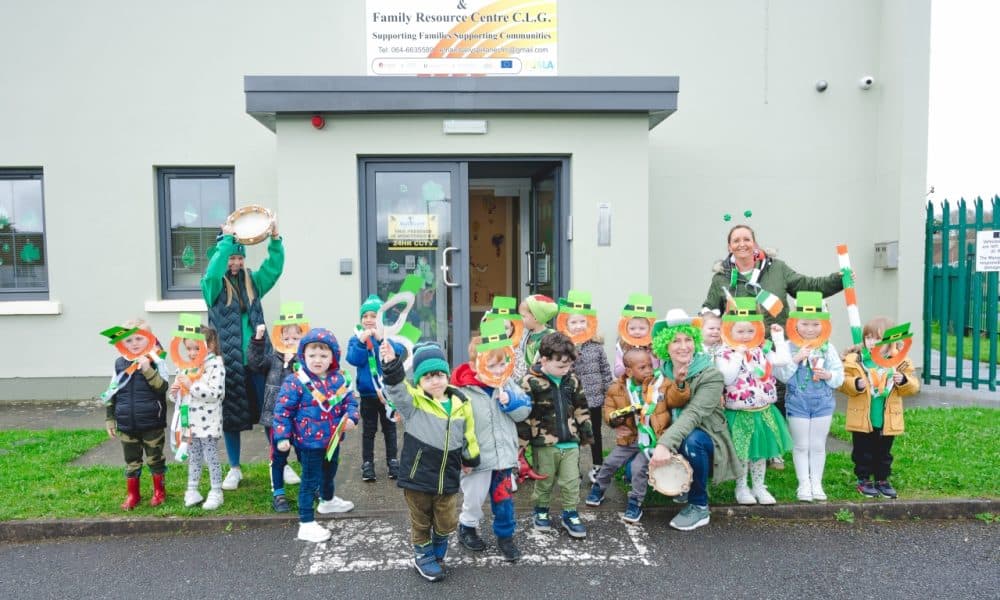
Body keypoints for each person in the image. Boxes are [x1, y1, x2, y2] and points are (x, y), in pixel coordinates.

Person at [701, 222, 845, 468]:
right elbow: (710, 310)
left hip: (774, 344)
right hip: (741, 349)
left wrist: (839, 280)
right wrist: (708, 336)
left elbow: (807, 286)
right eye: (736, 240)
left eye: (746, 239)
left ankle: (773, 448)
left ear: (754, 242)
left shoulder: (777, 269)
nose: (742, 244)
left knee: (774, 395)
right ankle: (743, 448)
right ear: (729, 246)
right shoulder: (722, 278)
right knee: (744, 398)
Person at [381, 341, 480, 582]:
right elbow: (396, 388)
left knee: (446, 520)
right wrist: (392, 364)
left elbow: (469, 433)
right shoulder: (413, 403)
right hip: (417, 478)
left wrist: (470, 458)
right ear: (419, 381)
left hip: (448, 476)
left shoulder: (461, 402)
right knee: (421, 520)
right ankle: (423, 554)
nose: (434, 381)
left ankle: (439, 540)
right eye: (427, 377)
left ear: (446, 375)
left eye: (438, 374)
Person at [201, 217, 284, 491]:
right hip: (231, 365)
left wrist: (275, 239)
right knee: (231, 417)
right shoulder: (212, 287)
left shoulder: (253, 282)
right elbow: (212, 272)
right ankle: (235, 468)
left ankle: (278, 462)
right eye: (230, 258)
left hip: (259, 362)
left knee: (270, 412)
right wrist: (225, 242)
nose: (235, 263)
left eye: (239, 258)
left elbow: (273, 268)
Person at [647, 309, 741, 532]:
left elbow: (693, 415)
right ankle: (684, 484)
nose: (683, 346)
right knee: (634, 473)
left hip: (706, 437)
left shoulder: (711, 375)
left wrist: (663, 445)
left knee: (692, 440)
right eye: (675, 341)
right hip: (673, 435)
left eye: (688, 339)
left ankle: (699, 506)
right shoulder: (662, 373)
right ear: (665, 347)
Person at [452, 322, 531, 562]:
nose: (498, 370)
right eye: (491, 365)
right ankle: (467, 526)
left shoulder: (507, 385)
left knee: (504, 501)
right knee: (473, 499)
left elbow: (525, 411)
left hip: (503, 458)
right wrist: (463, 456)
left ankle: (506, 537)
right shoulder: (462, 391)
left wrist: (511, 403)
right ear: (476, 364)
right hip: (476, 459)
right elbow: (456, 427)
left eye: (502, 364)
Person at [273, 328, 359, 543]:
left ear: (333, 357)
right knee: (310, 481)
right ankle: (306, 522)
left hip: (332, 440)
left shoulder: (338, 379)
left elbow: (350, 401)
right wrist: (282, 437)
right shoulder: (295, 381)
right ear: (303, 356)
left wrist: (352, 417)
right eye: (312, 355)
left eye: (323, 355)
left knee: (330, 473)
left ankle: (327, 501)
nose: (317, 360)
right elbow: (282, 411)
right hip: (308, 443)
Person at [714, 297, 794, 505]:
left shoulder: (762, 348)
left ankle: (759, 486)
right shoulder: (724, 352)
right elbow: (727, 378)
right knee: (742, 453)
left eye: (750, 331)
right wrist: (738, 356)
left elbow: (783, 360)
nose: (745, 336)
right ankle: (742, 487)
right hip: (740, 412)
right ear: (729, 329)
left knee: (760, 452)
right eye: (740, 332)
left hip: (763, 410)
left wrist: (777, 338)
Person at [585, 347, 674, 524]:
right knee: (609, 463)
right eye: (642, 367)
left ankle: (635, 502)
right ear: (628, 371)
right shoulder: (616, 388)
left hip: (651, 440)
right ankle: (598, 489)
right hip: (629, 438)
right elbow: (608, 411)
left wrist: (679, 384)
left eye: (650, 365)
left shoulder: (661, 383)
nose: (648, 370)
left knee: (638, 468)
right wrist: (616, 420)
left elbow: (677, 398)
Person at [518, 332, 594, 539]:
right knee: (544, 480)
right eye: (560, 366)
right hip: (544, 443)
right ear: (544, 359)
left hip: (570, 442)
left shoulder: (572, 380)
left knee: (571, 481)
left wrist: (586, 434)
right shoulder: (529, 382)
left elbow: (581, 407)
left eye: (568, 366)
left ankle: (570, 513)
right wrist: (521, 446)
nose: (565, 370)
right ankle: (541, 510)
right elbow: (524, 416)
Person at [773, 292, 844, 502]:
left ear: (823, 325)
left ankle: (817, 483)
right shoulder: (788, 347)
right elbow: (781, 375)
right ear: (795, 323)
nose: (810, 329)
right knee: (801, 445)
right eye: (805, 324)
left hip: (822, 404)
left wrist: (828, 375)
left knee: (818, 445)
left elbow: (839, 377)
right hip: (797, 404)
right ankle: (804, 483)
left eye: (815, 324)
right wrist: (795, 359)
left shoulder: (828, 348)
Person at [840, 318, 919, 499]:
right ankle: (864, 479)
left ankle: (882, 479)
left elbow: (914, 386)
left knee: (884, 452)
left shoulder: (900, 362)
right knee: (862, 450)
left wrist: (904, 381)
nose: (872, 342)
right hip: (863, 417)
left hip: (888, 418)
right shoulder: (856, 361)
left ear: (890, 341)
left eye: (878, 338)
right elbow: (841, 382)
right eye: (868, 337)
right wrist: (856, 384)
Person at [102, 318, 170, 510]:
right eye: (129, 340)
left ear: (149, 339)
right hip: (126, 422)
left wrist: (148, 369)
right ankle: (133, 494)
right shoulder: (119, 364)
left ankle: (159, 491)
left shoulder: (156, 361)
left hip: (152, 422)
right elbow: (111, 391)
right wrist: (110, 417)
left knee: (155, 458)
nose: (134, 344)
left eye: (139, 339)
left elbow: (161, 387)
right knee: (131, 461)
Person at [248, 302, 308, 513]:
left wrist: (295, 362)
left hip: (301, 417)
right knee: (278, 454)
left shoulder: (305, 360)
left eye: (295, 338)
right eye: (286, 337)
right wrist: (258, 339)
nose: (290, 341)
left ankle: (311, 487)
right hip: (274, 416)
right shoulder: (272, 359)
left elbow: (308, 381)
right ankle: (279, 493)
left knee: (304, 453)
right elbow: (254, 363)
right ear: (279, 338)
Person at [346, 294, 406, 483]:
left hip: (388, 393)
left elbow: (399, 353)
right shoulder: (356, 339)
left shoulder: (388, 337)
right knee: (369, 430)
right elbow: (353, 359)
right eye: (366, 316)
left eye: (374, 316)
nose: (369, 320)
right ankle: (368, 463)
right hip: (367, 394)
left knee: (390, 429)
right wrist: (362, 343)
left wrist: (381, 340)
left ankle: (393, 462)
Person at [555, 290, 612, 483]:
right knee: (574, 435)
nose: (578, 326)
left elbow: (605, 370)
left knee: (595, 434)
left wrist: (609, 393)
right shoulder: (563, 348)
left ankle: (598, 467)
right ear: (566, 324)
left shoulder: (596, 346)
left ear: (590, 323)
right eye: (574, 322)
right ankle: (573, 470)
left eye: (582, 322)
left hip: (594, 400)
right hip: (572, 401)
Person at [169, 317, 226, 510]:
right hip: (189, 423)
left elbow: (216, 393)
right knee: (193, 456)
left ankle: (216, 491)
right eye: (189, 349)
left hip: (208, 422)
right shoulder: (184, 366)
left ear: (210, 345)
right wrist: (175, 392)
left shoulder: (215, 365)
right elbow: (178, 399)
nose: (192, 353)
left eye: (196, 348)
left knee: (211, 457)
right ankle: (192, 489)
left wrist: (191, 385)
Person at [513, 294, 558, 382]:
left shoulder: (548, 339)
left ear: (535, 318)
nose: (520, 319)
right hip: (526, 378)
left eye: (523, 316)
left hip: (539, 381)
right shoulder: (527, 333)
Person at [613, 293, 659, 378]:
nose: (637, 332)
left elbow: (656, 368)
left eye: (642, 328)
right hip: (628, 384)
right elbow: (617, 372)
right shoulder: (622, 346)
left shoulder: (653, 346)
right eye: (632, 328)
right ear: (626, 328)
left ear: (650, 328)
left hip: (650, 383)